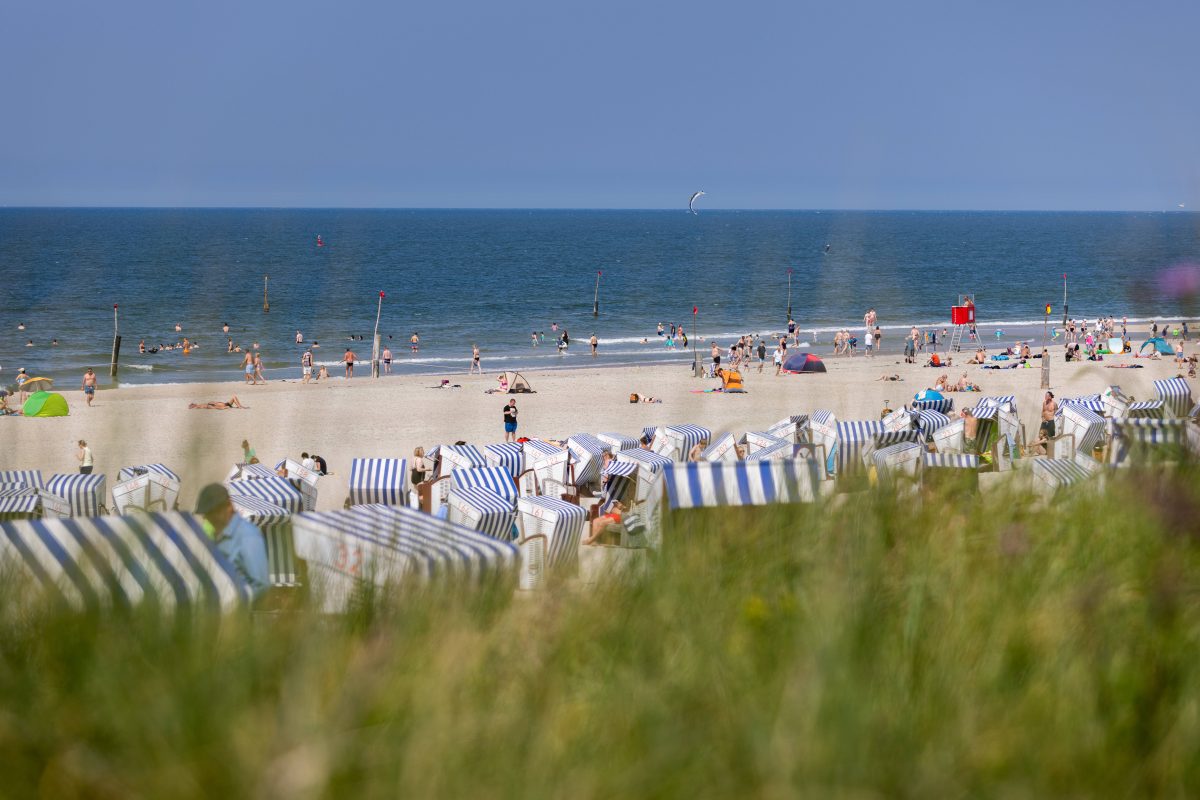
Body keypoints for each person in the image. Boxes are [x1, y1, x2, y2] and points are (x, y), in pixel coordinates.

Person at [194, 483, 270, 599]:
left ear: (229, 506)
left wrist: (234, 605)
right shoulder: (217, 535)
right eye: (207, 514)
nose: (210, 518)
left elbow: (262, 585)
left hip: (241, 613)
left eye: (214, 512)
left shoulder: (247, 535)